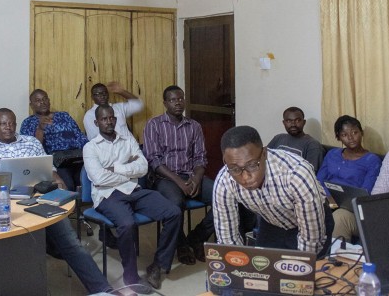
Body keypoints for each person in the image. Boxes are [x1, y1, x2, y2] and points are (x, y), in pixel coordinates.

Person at [0, 108, 113, 295]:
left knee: (71, 243)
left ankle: (102, 289)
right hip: (10, 206)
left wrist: (57, 178)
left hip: (42, 198)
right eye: (3, 124)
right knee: (21, 253)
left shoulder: (31, 142)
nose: (8, 127)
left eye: (11, 123)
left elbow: (48, 168)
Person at [84, 105, 181, 293]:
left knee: (173, 212)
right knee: (127, 224)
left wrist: (116, 168)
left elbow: (143, 168)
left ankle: (158, 264)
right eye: (104, 119)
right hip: (107, 195)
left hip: (133, 190)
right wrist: (128, 171)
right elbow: (99, 178)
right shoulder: (90, 147)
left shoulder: (127, 139)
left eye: (112, 118)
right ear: (97, 123)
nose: (109, 121)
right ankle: (131, 276)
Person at [213, 126, 333, 258]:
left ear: (264, 153)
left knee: (309, 274)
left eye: (252, 165)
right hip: (272, 221)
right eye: (235, 169)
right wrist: (236, 267)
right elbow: (227, 238)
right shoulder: (225, 180)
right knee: (264, 269)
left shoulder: (296, 174)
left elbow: (311, 243)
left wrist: (301, 267)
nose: (245, 177)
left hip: (311, 222)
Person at [143, 85, 214, 265]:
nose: (178, 103)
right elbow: (154, 160)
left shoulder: (194, 126)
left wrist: (196, 178)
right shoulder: (154, 125)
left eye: (181, 98)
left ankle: (197, 237)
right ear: (165, 103)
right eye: (173, 100)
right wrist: (179, 182)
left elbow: (200, 157)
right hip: (164, 178)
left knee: (223, 196)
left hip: (190, 175)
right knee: (176, 203)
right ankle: (181, 245)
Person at [316, 115, 382, 242]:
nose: (351, 138)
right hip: (326, 201)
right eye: (344, 135)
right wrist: (328, 198)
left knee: (338, 217)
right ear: (338, 137)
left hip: (350, 208)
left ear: (361, 133)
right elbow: (319, 180)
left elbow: (365, 192)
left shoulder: (372, 160)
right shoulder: (332, 154)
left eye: (354, 132)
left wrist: (336, 202)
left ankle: (336, 259)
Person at [19, 89, 87, 192]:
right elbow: (32, 150)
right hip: (56, 163)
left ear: (49, 100)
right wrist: (40, 129)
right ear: (31, 105)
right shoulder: (28, 123)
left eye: (45, 98)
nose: (42, 102)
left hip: (77, 157)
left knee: (88, 179)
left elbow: (80, 136)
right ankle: (72, 206)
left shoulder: (64, 116)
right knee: (67, 184)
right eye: (38, 100)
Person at [267, 106, 324, 172]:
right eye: (288, 121)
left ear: (304, 122)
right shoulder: (278, 138)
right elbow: (264, 159)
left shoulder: (313, 145)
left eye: (297, 120)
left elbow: (310, 174)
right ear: (284, 123)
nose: (293, 124)